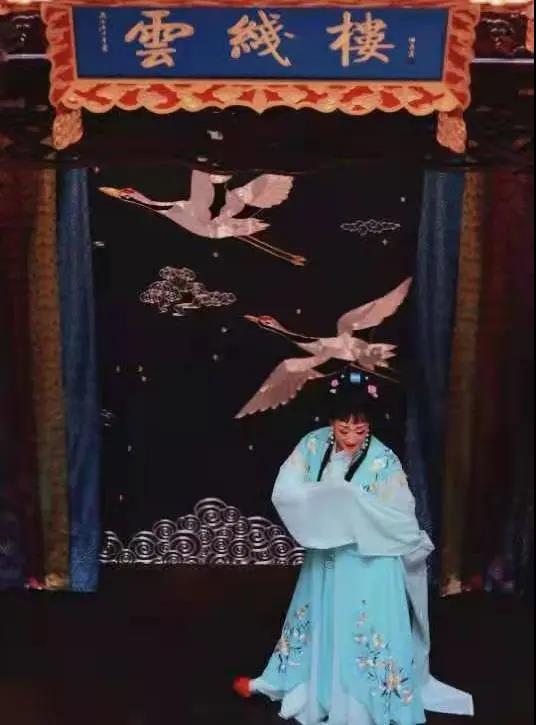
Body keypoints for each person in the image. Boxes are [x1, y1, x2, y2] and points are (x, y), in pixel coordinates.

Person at [234, 381, 473, 725]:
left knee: (362, 633)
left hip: (370, 561)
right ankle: (303, 687)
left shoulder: (383, 460)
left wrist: (356, 506)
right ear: (331, 421)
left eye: (360, 428)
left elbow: (402, 516)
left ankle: (361, 706)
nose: (351, 435)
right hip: (326, 558)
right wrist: (323, 500)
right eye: (343, 426)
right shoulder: (313, 445)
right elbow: (285, 490)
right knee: (319, 625)